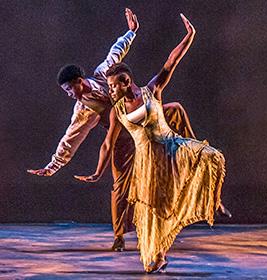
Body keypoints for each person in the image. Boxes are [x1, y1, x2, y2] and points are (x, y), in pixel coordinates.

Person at [27, 9, 197, 251]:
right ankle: (119, 236)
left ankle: (186, 164)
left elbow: (116, 51)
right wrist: (53, 166)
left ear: (78, 81)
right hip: (121, 138)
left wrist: (131, 32)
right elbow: (71, 138)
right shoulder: (83, 111)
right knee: (120, 187)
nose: (68, 94)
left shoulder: (103, 73)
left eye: (68, 89)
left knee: (173, 116)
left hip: (144, 125)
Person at [75, 14, 231, 273]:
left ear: (126, 82)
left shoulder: (151, 90)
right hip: (149, 162)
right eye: (110, 87)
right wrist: (97, 172)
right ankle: (159, 256)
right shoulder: (117, 111)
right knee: (155, 210)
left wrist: (189, 37)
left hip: (171, 147)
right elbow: (107, 144)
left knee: (212, 157)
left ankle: (214, 201)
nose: (110, 91)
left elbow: (171, 62)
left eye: (114, 86)